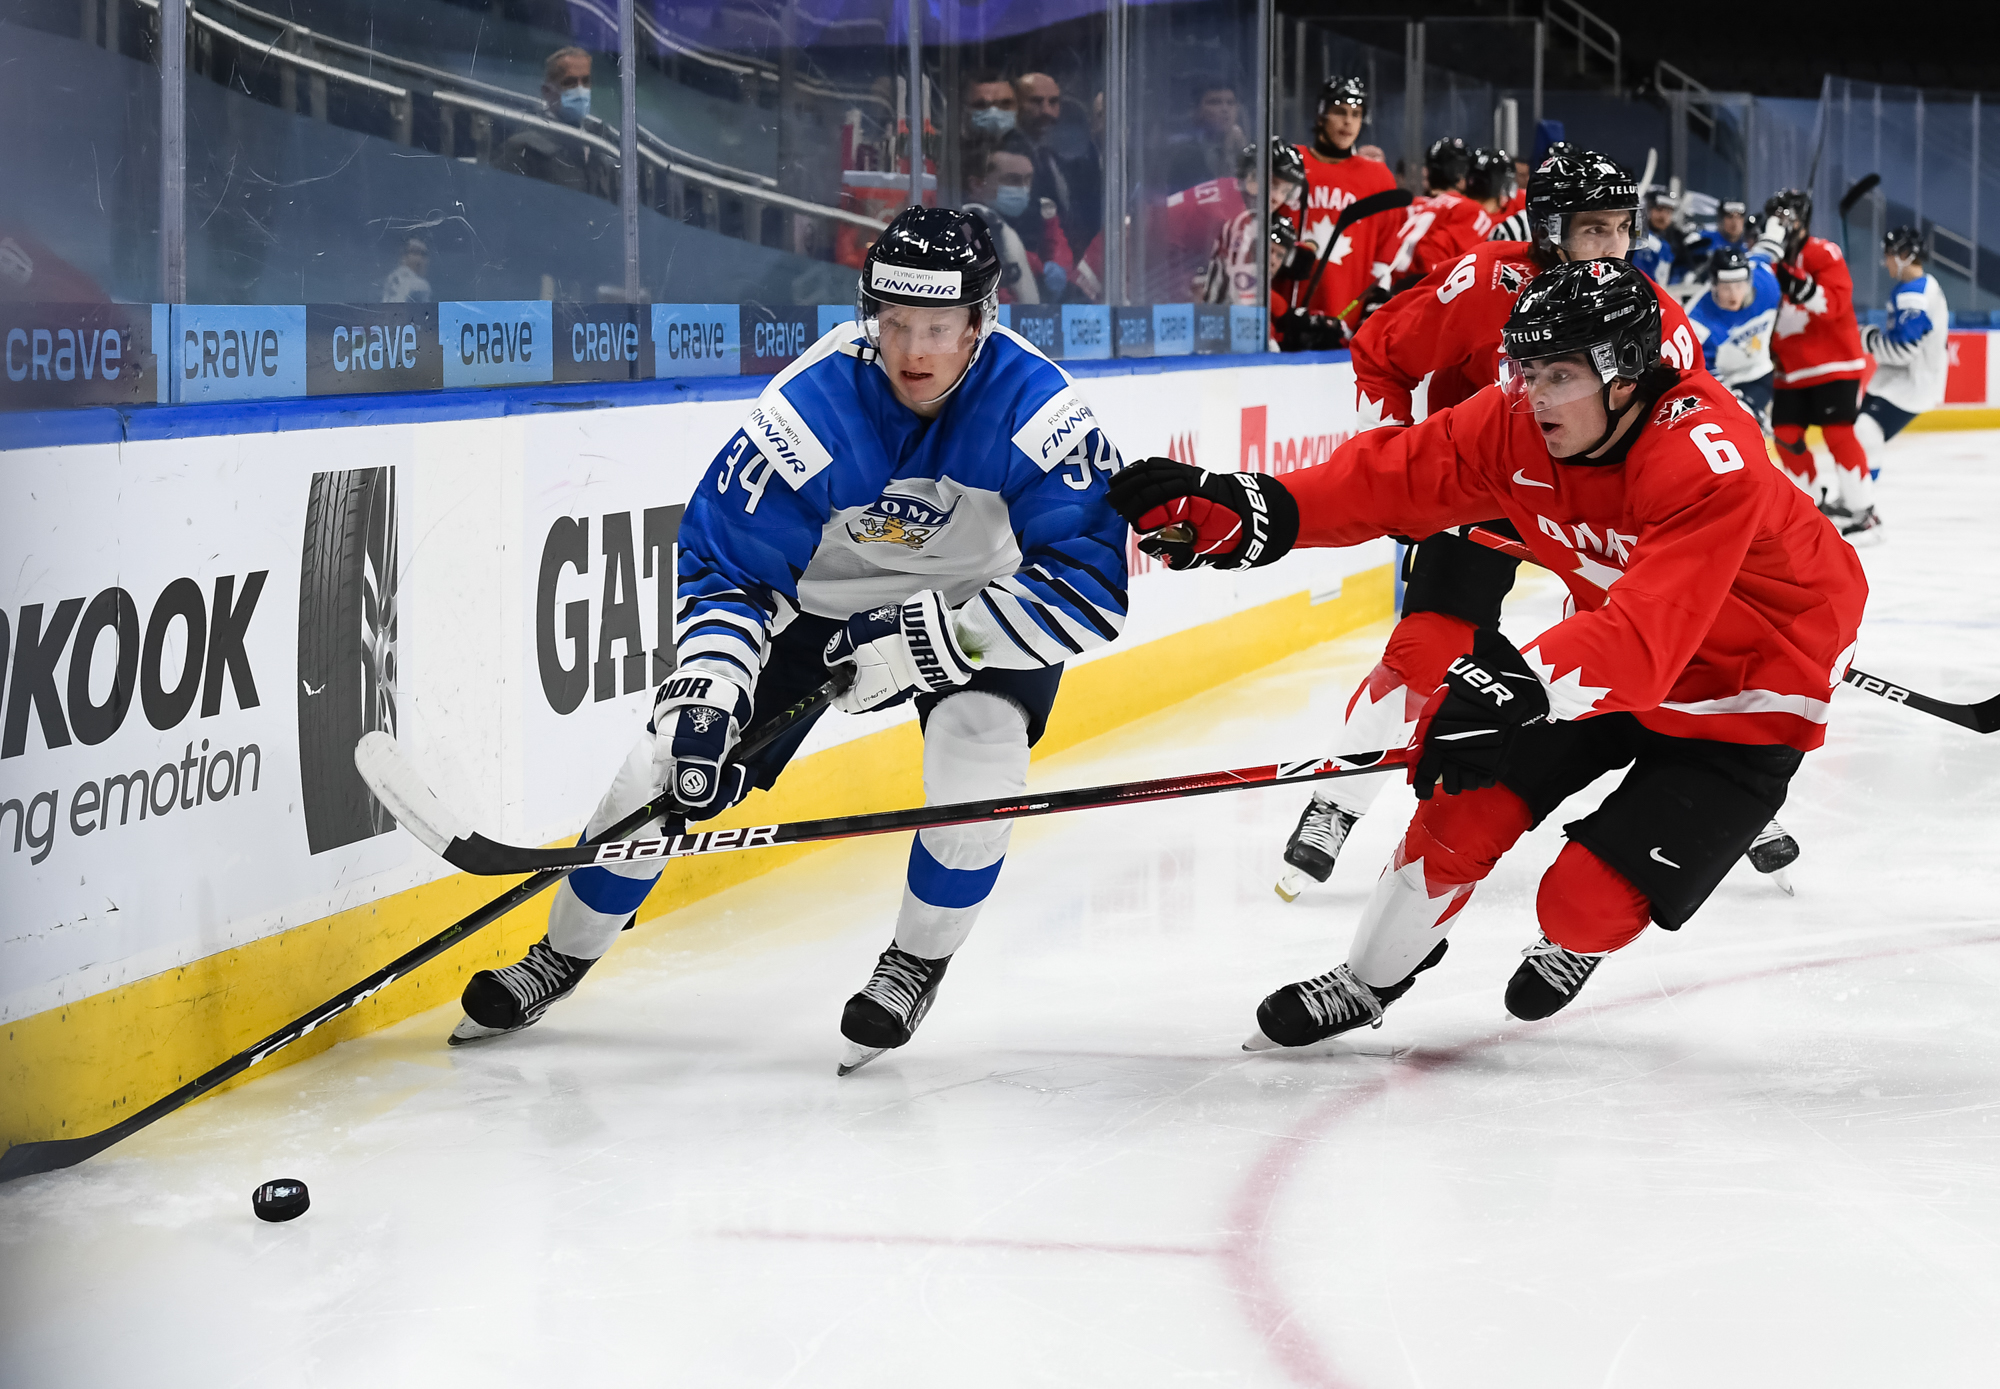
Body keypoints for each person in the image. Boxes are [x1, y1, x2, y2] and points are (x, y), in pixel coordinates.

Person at [1106, 259, 1866, 1041]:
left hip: (1746, 696)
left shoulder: (1706, 457)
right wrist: (1265, 509)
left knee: (1578, 902)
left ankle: (1586, 933)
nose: (1533, 396)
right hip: (1605, 663)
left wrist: (1513, 682)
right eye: (1527, 369)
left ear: (1626, 372)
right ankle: (1369, 980)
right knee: (1457, 812)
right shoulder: (1514, 423)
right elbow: (1391, 478)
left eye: (1560, 374)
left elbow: (1651, 639)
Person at [450, 208, 1129, 1074]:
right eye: (894, 325)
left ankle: (915, 963)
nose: (913, 351)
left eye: (937, 328)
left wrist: (934, 642)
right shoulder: (811, 407)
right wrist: (712, 690)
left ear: (981, 323)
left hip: (976, 603)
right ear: (867, 315)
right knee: (660, 766)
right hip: (821, 605)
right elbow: (726, 566)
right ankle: (561, 954)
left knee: (980, 744)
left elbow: (1089, 582)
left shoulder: (1036, 409)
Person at [1258, 150, 1797, 898]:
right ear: (1548, 230)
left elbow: (1689, 422)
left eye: (1621, 230)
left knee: (1645, 650)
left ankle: (1709, 783)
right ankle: (1335, 803)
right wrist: (1384, 469)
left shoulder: (1649, 315)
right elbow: (1383, 353)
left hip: (1590, 517)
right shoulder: (1484, 281)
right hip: (1480, 495)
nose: (1613, 248)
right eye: (1592, 230)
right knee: (1421, 656)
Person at [1754, 188, 1873, 540]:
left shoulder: (1823, 251)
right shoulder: (1770, 265)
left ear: (1800, 220)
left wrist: (1799, 285)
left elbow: (1834, 303)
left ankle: (1864, 511)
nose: (1779, 224)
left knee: (1837, 433)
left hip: (1834, 364)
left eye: (1784, 217)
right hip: (1790, 371)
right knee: (1787, 435)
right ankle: (1810, 504)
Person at [1849, 225, 1948, 543]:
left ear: (1906, 255)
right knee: (1858, 431)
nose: (1886, 262)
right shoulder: (1917, 287)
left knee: (1865, 431)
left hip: (1913, 384)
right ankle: (1857, 498)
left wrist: (1866, 336)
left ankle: (1865, 510)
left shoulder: (1914, 294)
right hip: (1899, 381)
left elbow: (1904, 350)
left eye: (1890, 255)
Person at [1288, 76, 1400, 333]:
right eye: (1339, 112)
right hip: (1289, 315)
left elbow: (1387, 246)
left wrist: (1376, 298)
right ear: (1320, 116)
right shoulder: (1293, 163)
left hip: (1346, 321)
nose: (1348, 121)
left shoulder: (1378, 177)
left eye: (1356, 114)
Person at [496, 47, 618, 201]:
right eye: (570, 83)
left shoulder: (602, 141)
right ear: (547, 91)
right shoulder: (524, 146)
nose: (581, 90)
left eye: (585, 81)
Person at [962, 138, 1074, 304]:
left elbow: (1059, 248)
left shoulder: (1041, 212)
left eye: (1028, 179)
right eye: (1012, 180)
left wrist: (1059, 266)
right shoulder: (964, 227)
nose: (1023, 188)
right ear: (977, 185)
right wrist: (1034, 265)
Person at [1198, 138, 1306, 306]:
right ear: (1252, 176)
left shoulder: (1230, 192)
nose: (1278, 198)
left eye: (1286, 191)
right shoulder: (1234, 215)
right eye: (1273, 185)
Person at [1686, 246, 1780, 427]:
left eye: (1739, 286)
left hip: (1759, 372)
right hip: (1723, 383)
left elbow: (1762, 255)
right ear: (1713, 284)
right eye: (1726, 288)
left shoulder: (1766, 283)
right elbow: (1701, 373)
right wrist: (1735, 402)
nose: (1734, 294)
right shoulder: (1697, 321)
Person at [1380, 137, 1475, 293]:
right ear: (1461, 174)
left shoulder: (1410, 204)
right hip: (1425, 288)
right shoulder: (1467, 208)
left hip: (1389, 286)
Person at [1013, 72, 1074, 232]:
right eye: (1036, 101)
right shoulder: (1009, 155)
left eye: (1053, 102)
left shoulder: (1058, 158)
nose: (1046, 111)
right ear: (1016, 105)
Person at [1164, 82, 1247, 191]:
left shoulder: (1249, 151)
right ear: (1197, 110)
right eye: (1215, 102)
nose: (1225, 109)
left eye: (1231, 103)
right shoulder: (1182, 156)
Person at [962, 73, 1018, 138]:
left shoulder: (1030, 146)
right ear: (964, 110)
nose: (994, 113)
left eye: (1005, 104)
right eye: (981, 105)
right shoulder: (950, 146)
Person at [381, 238, 432, 303]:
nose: (420, 258)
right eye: (415, 252)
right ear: (403, 256)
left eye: (423, 254)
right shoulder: (420, 286)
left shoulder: (391, 278)